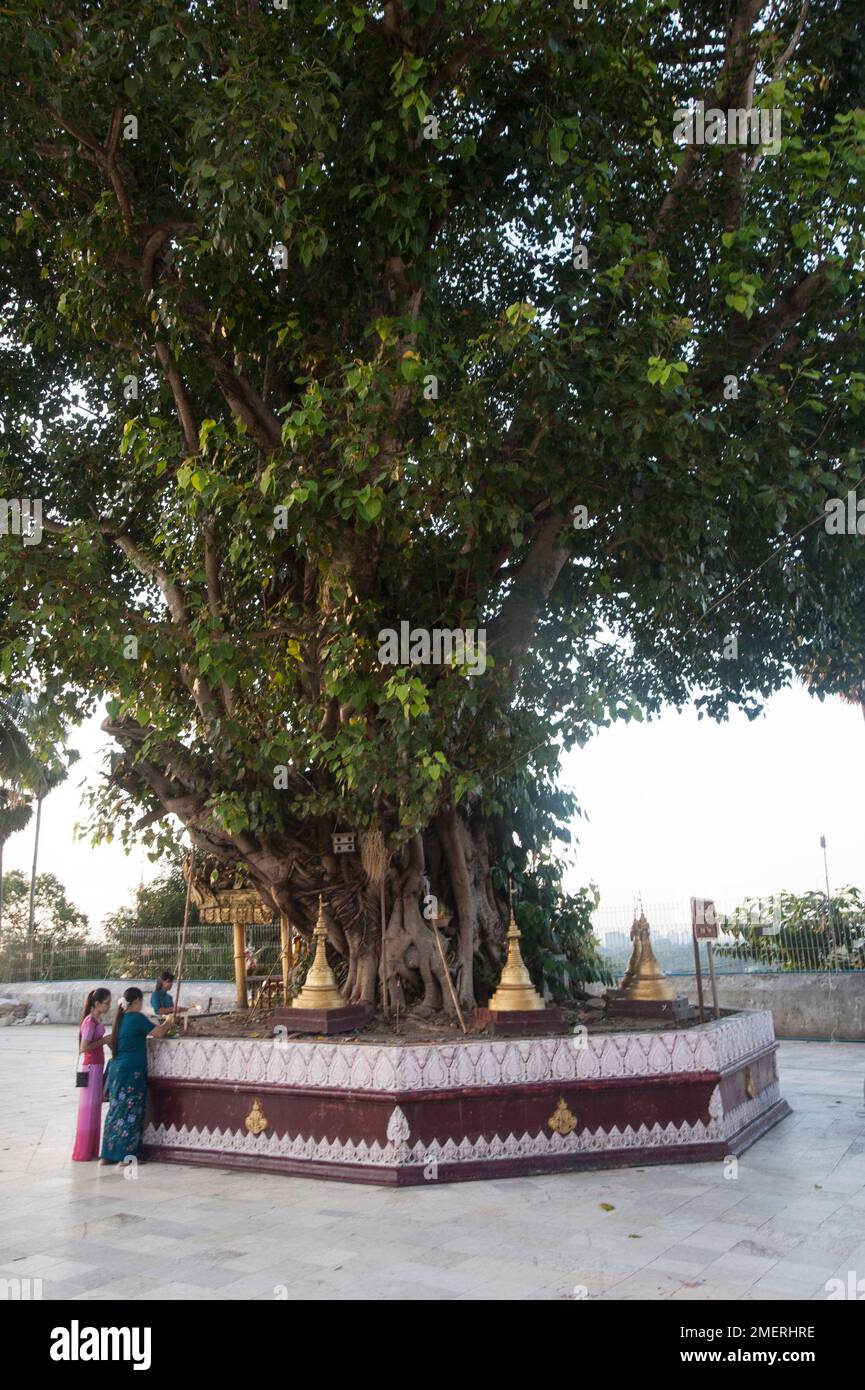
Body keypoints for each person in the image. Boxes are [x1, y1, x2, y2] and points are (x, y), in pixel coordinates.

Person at [100, 987, 172, 1166]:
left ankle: (108, 1154)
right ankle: (127, 1156)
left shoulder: (120, 1019)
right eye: (141, 1001)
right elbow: (159, 1032)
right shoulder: (137, 1018)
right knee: (131, 1110)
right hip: (132, 1070)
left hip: (117, 1069)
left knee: (116, 1109)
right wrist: (169, 1022)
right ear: (138, 1001)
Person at [72, 988, 112, 1162]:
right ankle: (83, 1151)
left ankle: (91, 1150)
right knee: (88, 1110)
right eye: (106, 1003)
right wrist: (104, 1041)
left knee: (94, 1109)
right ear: (97, 1004)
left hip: (97, 1065)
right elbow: (84, 1047)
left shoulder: (97, 1020)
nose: (109, 1006)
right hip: (90, 1067)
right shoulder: (89, 1022)